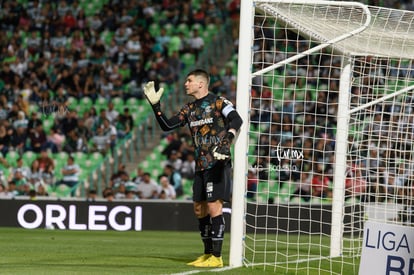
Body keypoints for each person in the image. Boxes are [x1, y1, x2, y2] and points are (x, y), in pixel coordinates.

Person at [143, 69, 243, 268]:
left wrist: (227, 141)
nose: (185, 84)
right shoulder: (189, 109)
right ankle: (207, 254)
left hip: (217, 161)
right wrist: (156, 106)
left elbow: (237, 120)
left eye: (189, 80)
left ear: (201, 83)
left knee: (214, 205)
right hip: (200, 165)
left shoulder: (219, 102)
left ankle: (217, 256)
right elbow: (167, 125)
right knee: (199, 209)